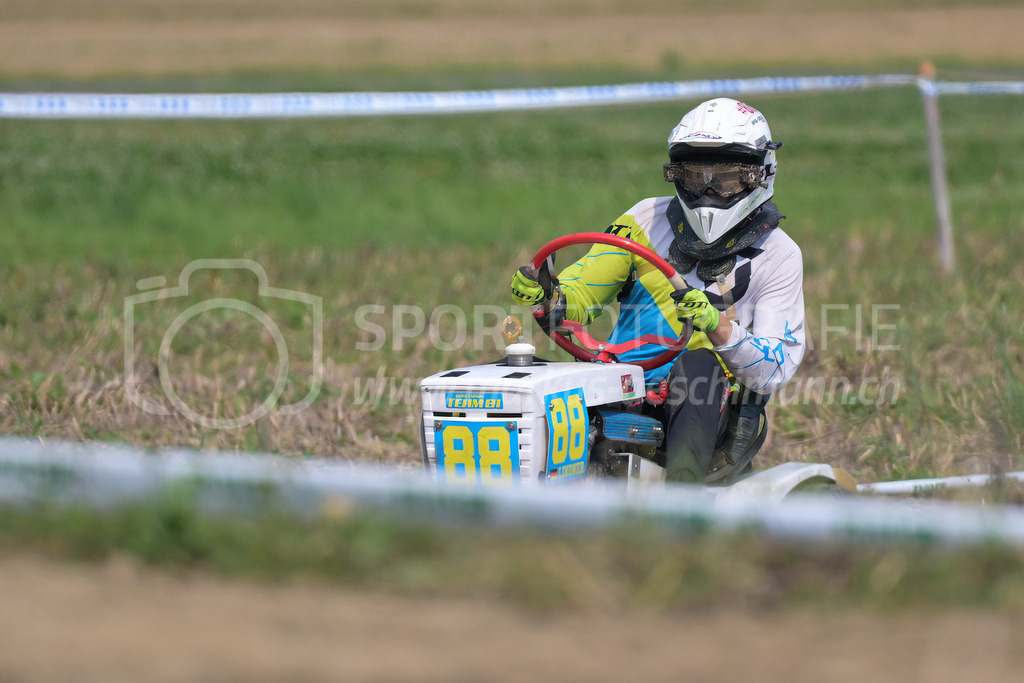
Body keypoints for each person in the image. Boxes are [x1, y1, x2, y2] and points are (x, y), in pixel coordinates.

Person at [510, 97, 805, 483]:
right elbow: (581, 292)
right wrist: (550, 294)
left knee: (699, 368)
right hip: (621, 388)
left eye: (725, 178)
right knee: (527, 381)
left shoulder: (780, 254)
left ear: (760, 174)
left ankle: (681, 501)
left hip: (715, 415)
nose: (708, 191)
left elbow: (772, 370)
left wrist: (718, 326)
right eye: (695, 177)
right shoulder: (643, 220)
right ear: (675, 174)